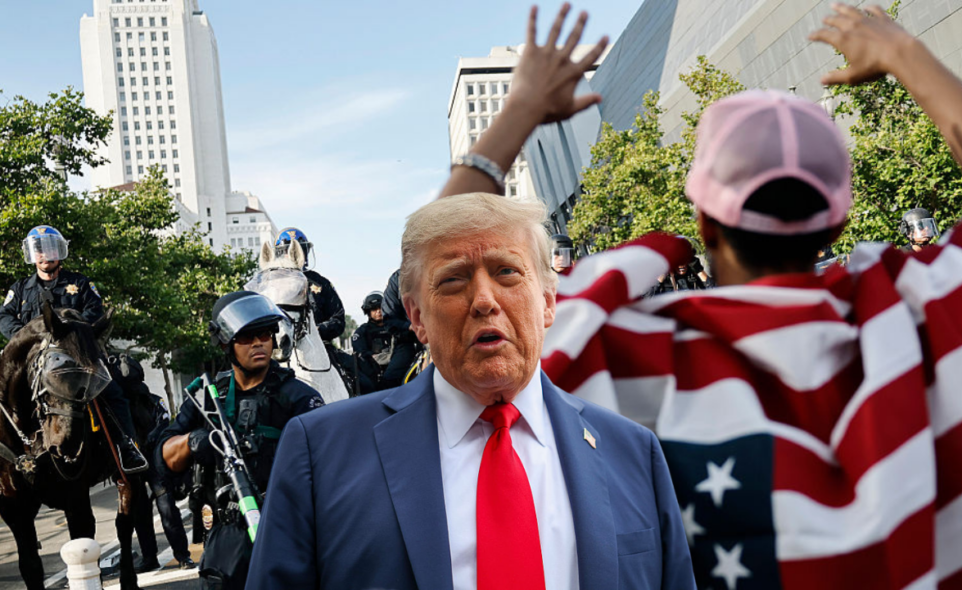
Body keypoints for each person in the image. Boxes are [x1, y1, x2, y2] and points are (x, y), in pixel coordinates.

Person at [422, 4, 962, 588]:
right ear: (837, 219)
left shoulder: (617, 344)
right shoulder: (930, 304)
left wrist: (522, 109)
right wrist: (902, 52)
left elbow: (445, 255)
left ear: (704, 222)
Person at [245, 10, 694, 589]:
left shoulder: (635, 453)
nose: (484, 299)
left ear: (548, 301)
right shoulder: (321, 454)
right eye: (454, 281)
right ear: (416, 315)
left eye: (507, 273)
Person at [157, 291, 324, 589]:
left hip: (285, 527)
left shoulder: (299, 396)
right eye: (246, 337)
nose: (259, 343)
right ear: (225, 343)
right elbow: (164, 458)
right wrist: (193, 442)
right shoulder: (207, 397)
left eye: (265, 334)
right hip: (227, 534)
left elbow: (328, 466)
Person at [0, 225, 148, 473]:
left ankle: (127, 447)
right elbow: (4, 316)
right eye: (39, 250)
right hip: (34, 361)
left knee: (111, 391)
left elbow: (95, 311)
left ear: (59, 252)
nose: (45, 256)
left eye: (50, 250)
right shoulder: (20, 289)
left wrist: (69, 331)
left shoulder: (80, 283)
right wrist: (28, 335)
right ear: (32, 255)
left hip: (76, 357)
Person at [115, 353, 195, 572]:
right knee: (140, 513)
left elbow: (164, 422)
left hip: (155, 460)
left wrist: (152, 438)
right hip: (133, 464)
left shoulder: (153, 400)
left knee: (167, 508)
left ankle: (182, 556)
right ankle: (150, 558)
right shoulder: (120, 407)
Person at [273, 228, 346, 343]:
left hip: (319, 345)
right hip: (280, 344)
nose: (293, 255)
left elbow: (338, 319)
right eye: (288, 252)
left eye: (298, 251)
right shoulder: (271, 284)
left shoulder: (321, 283)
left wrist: (318, 330)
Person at [380, 268, 422, 386]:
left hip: (440, 339)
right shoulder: (396, 279)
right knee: (389, 381)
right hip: (409, 341)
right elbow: (389, 319)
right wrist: (410, 326)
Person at [350, 292, 395, 393]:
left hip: (396, 370)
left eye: (380, 308)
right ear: (368, 312)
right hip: (374, 377)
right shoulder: (362, 331)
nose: (378, 311)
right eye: (374, 309)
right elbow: (361, 354)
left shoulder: (394, 327)